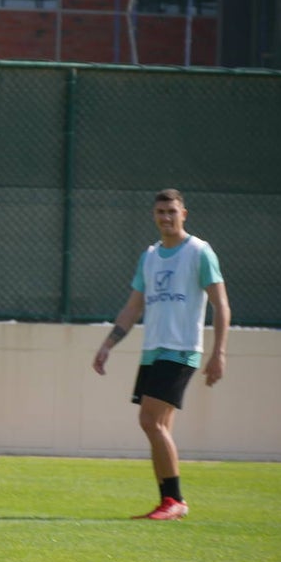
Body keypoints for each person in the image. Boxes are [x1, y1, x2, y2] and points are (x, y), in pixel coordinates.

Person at [92, 188, 230, 520]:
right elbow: (133, 307)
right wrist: (108, 344)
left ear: (184, 214)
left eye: (172, 211)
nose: (166, 217)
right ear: (154, 216)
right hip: (152, 352)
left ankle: (176, 500)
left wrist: (219, 353)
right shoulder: (150, 257)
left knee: (149, 420)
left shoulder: (199, 252)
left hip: (181, 349)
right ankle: (167, 502)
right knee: (159, 426)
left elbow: (221, 305)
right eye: (160, 212)